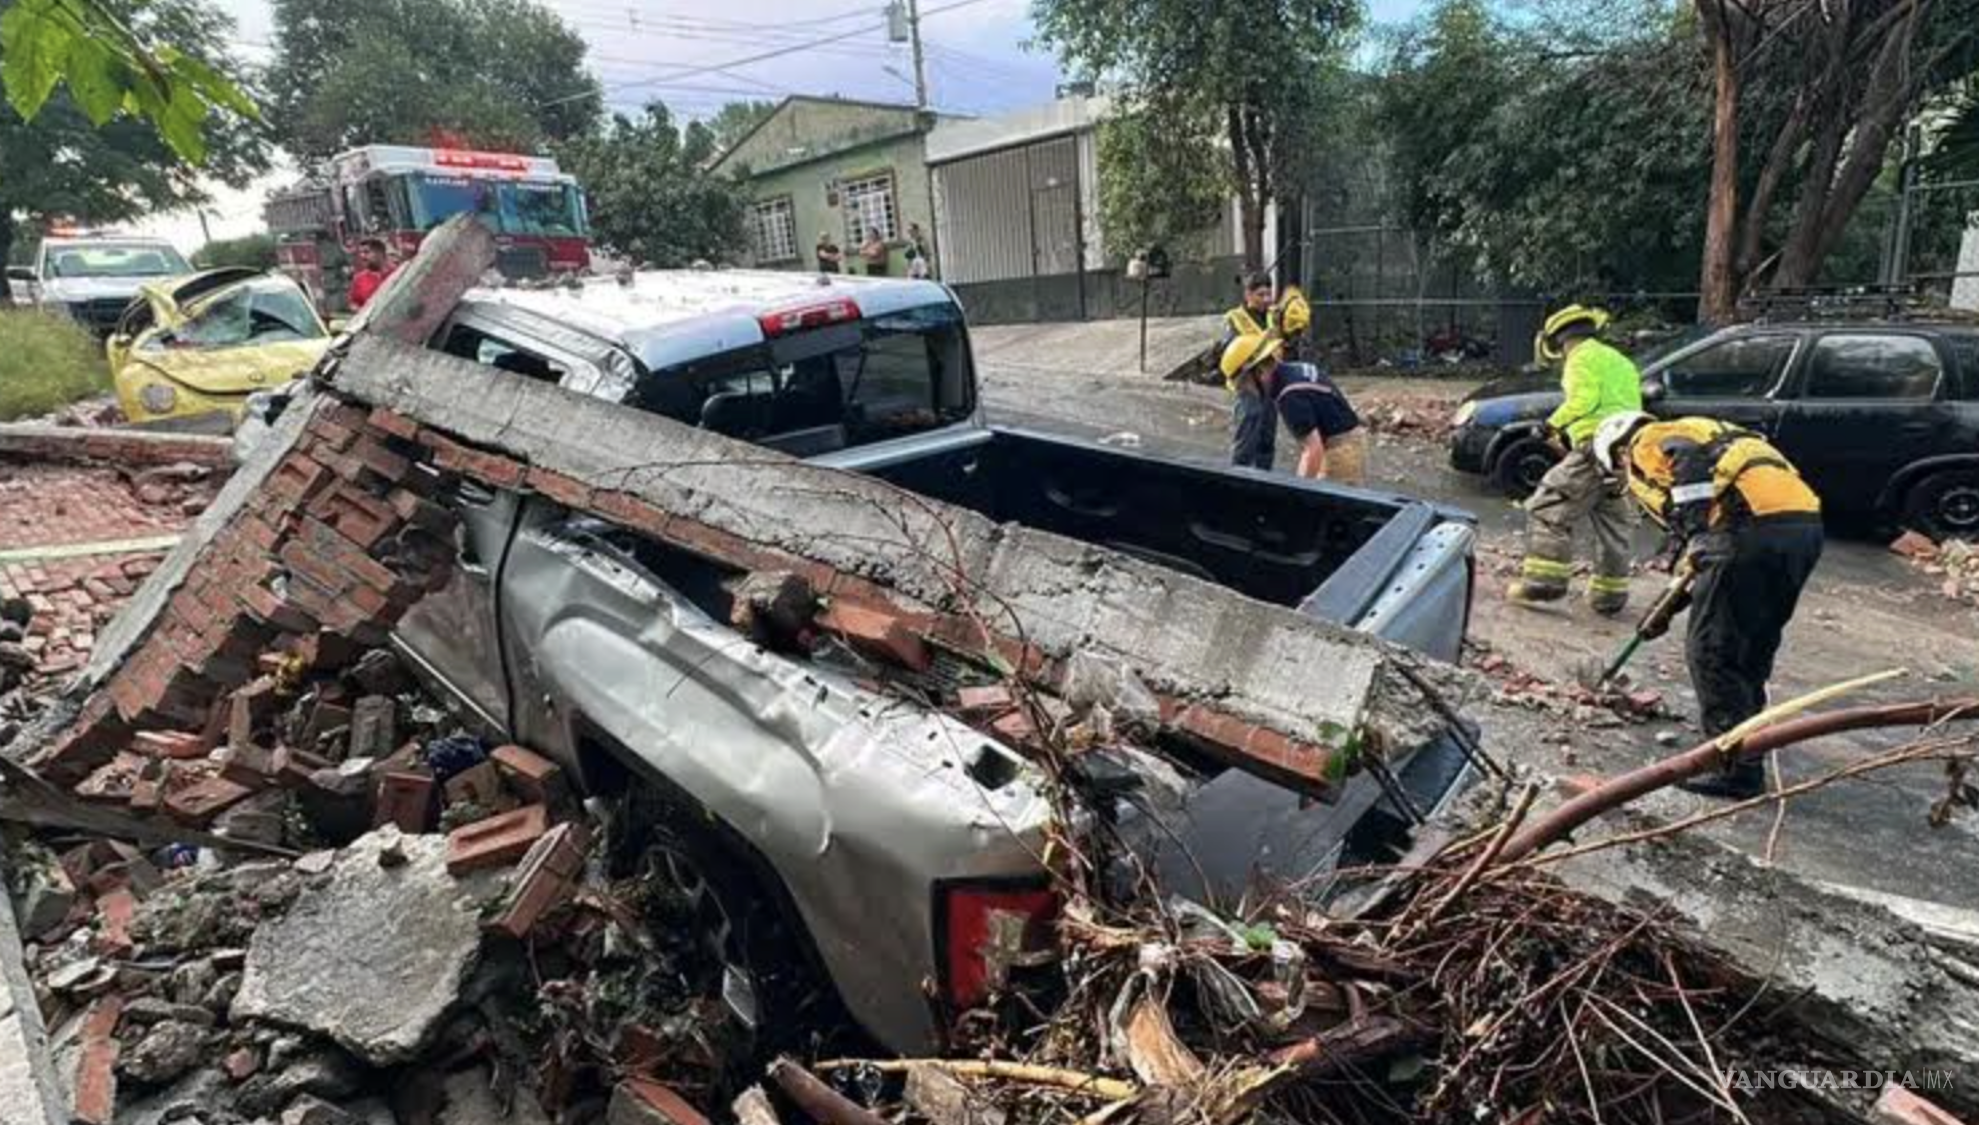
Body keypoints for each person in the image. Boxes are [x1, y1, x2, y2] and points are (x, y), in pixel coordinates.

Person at [1591, 412, 1824, 798]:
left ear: (1616, 449)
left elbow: (1687, 462)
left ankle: (1735, 769)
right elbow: (1700, 558)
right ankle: (1748, 745)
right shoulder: (1713, 440)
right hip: (1801, 529)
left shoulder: (1647, 439)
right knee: (1751, 647)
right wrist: (1667, 609)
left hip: (1747, 528)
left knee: (1713, 651)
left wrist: (1699, 533)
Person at [1508, 304, 1643, 616]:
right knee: (1614, 523)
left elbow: (1585, 400)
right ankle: (1609, 598)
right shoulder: (1619, 360)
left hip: (1594, 446)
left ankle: (1544, 583)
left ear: (1559, 341)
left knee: (1547, 507)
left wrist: (1550, 425)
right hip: (1624, 453)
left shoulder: (1581, 358)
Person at [1223, 334, 1367, 482]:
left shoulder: (1289, 395)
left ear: (1258, 372)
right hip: (1344, 440)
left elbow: (1313, 450)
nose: (1246, 393)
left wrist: (1297, 491)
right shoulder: (1291, 371)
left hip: (1339, 450)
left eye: (1243, 385)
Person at [347, 238, 395, 311]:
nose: (362, 256)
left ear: (380, 253)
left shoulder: (396, 273)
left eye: (366, 252)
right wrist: (362, 312)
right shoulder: (359, 279)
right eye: (360, 253)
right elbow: (353, 303)